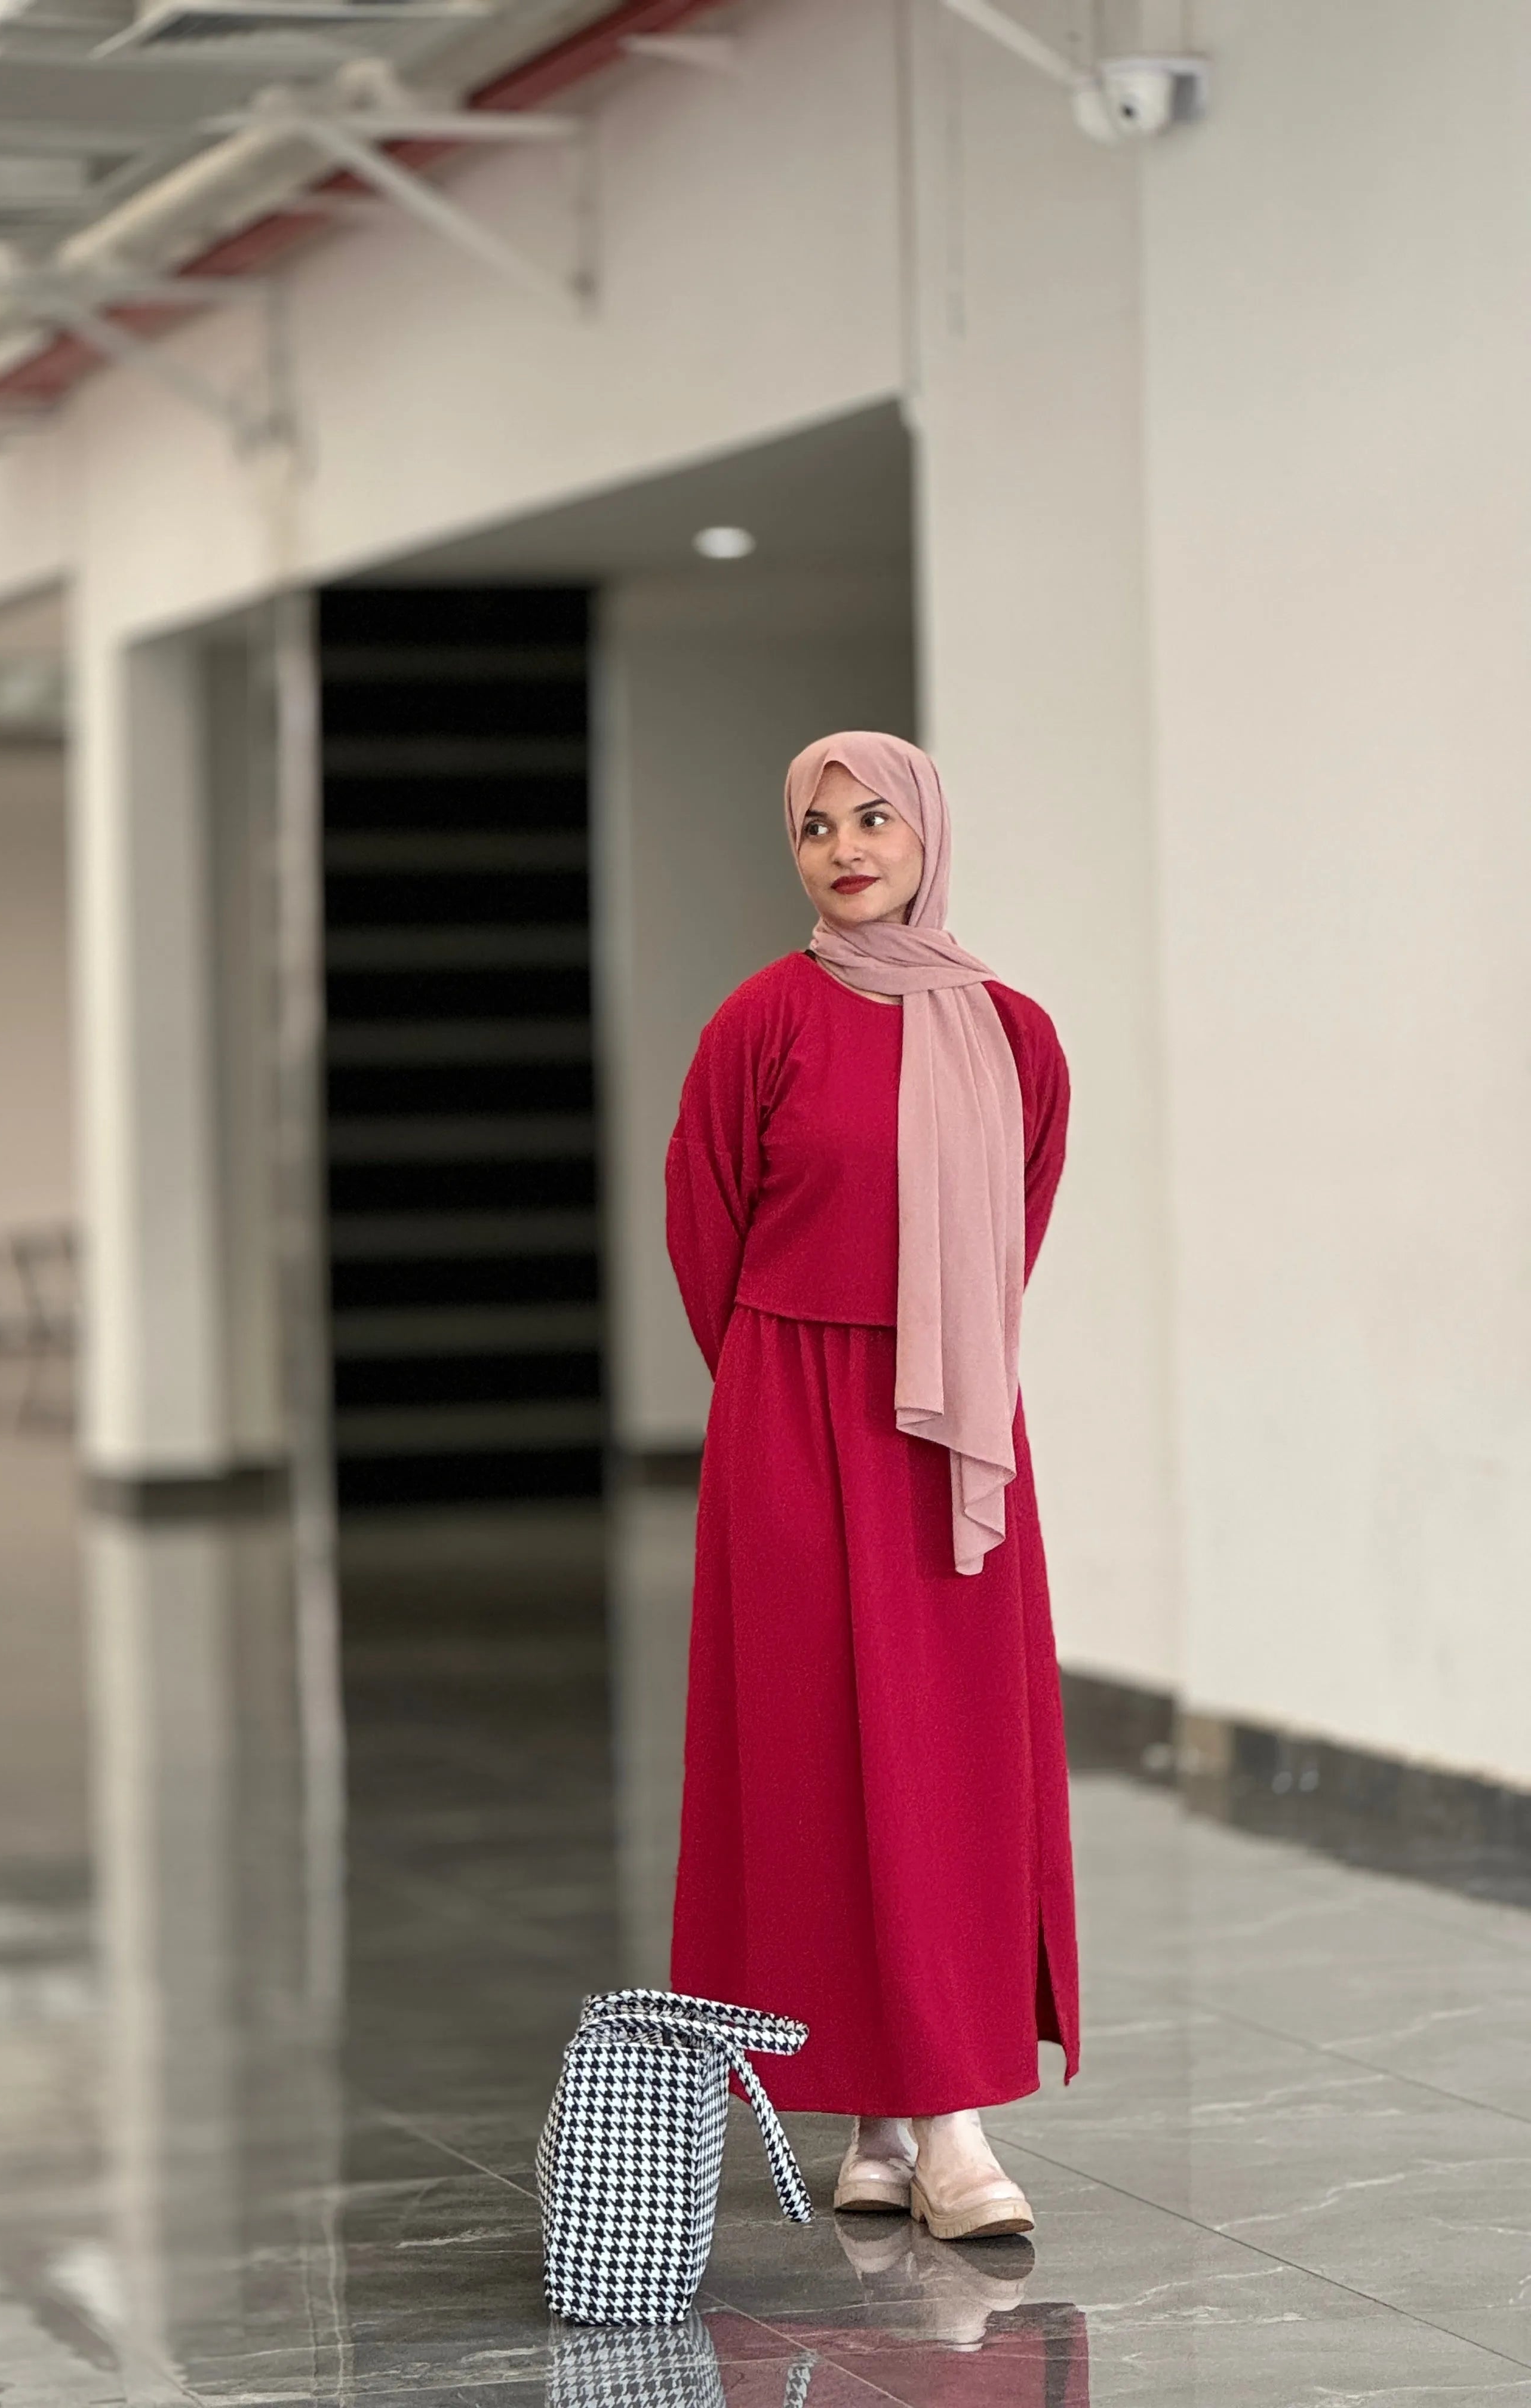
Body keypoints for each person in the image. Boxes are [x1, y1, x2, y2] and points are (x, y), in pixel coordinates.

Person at [664, 730, 1078, 2242]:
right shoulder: (759, 1023)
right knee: (811, 1764)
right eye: (817, 827)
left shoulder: (1017, 1035)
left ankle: (953, 2121)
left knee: (950, 1762)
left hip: (948, 1433)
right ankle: (868, 2117)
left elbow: (1013, 1233)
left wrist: (933, 1365)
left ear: (928, 831)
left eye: (876, 817)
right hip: (787, 1418)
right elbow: (704, 1225)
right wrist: (786, 1385)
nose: (848, 846)